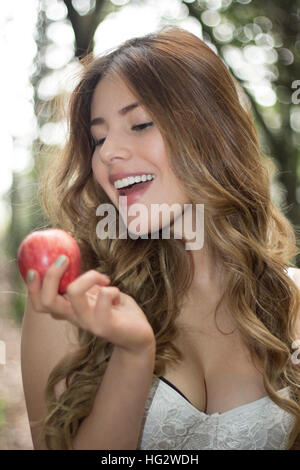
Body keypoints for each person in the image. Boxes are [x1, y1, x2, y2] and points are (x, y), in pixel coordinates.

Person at [20, 26, 300, 450]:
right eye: (98, 138)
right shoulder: (69, 302)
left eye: (140, 123)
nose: (107, 152)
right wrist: (132, 357)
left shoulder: (293, 298)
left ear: (214, 131)